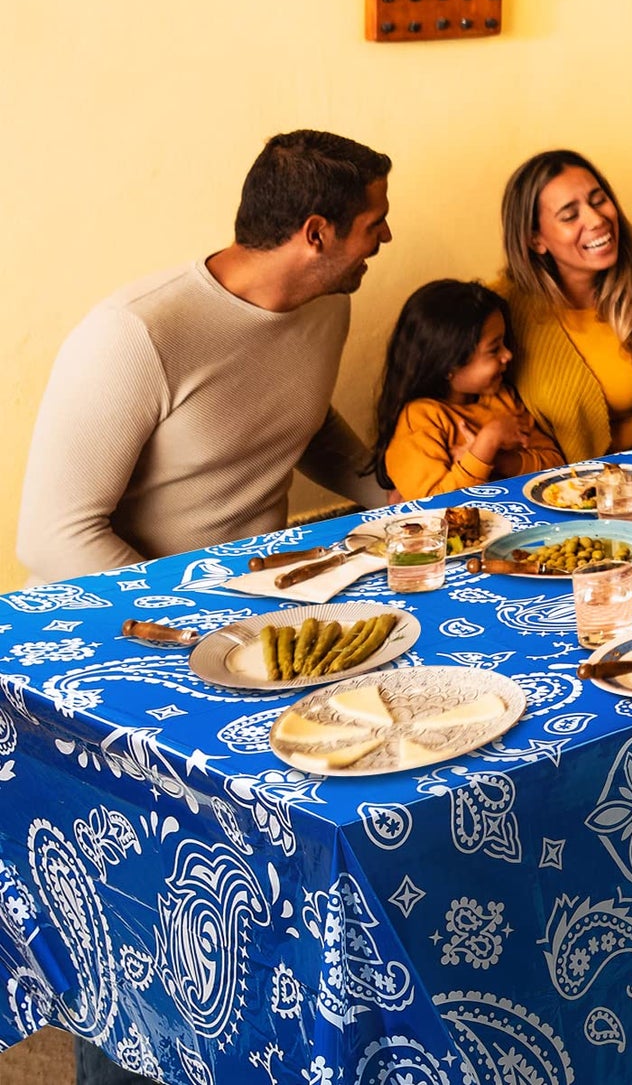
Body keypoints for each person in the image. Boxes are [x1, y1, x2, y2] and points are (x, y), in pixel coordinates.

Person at [16, 130, 394, 1084]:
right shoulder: (135, 333)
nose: (385, 237)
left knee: (273, 891)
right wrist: (196, 637)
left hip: (259, 630)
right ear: (315, 231)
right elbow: (53, 538)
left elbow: (298, 421)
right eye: (371, 223)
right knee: (140, 921)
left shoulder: (324, 304)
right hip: (121, 643)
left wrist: (389, 502)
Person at [496, 149, 632, 461]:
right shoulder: (504, 310)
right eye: (570, 215)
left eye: (599, 200)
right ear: (534, 240)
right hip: (560, 493)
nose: (597, 219)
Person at [370, 279, 563, 500]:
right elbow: (435, 504)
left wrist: (497, 458)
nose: (508, 355)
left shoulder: (502, 398)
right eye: (494, 349)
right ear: (448, 365)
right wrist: (487, 441)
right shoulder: (421, 418)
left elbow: (555, 466)